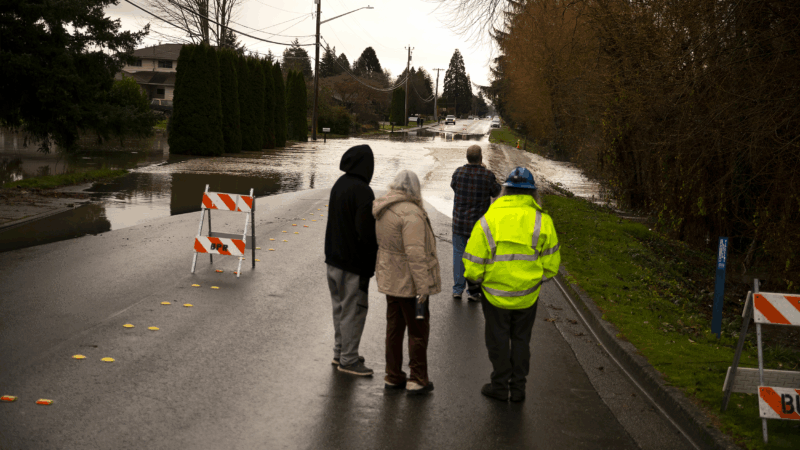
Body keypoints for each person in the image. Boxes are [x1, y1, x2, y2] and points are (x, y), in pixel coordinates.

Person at [463, 167, 561, 402]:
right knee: (521, 341)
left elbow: (474, 260)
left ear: (505, 190)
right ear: (532, 193)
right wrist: (534, 280)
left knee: (497, 341)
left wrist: (475, 282)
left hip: (495, 296)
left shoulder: (489, 219)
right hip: (527, 296)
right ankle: (518, 389)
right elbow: (551, 264)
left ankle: (499, 387)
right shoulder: (543, 221)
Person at [373, 170, 441, 395]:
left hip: (391, 281)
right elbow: (415, 254)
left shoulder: (384, 208)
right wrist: (423, 289)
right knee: (418, 330)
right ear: (415, 189)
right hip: (411, 286)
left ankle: (393, 375)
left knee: (394, 329)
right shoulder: (411, 213)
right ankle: (417, 378)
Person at [325, 144, 379, 376]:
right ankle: (349, 359)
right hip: (353, 264)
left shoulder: (339, 185)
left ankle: (340, 353)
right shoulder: (364, 192)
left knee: (339, 310)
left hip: (333, 259)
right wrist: (370, 264)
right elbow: (366, 234)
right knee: (354, 311)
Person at [450, 145, 501, 300]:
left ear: (467, 157)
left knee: (459, 254)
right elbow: (496, 191)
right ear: (481, 158)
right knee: (477, 257)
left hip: (459, 222)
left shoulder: (458, 172)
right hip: (479, 226)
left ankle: (457, 289)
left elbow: (454, 186)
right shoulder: (487, 175)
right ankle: (473, 291)